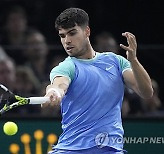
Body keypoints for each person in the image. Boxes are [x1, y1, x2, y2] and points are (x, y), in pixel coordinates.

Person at [43, 8, 153, 154]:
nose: (67, 40)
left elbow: (146, 92)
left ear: (87, 31)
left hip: (110, 149)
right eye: (62, 36)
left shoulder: (116, 62)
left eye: (72, 33)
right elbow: (59, 84)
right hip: (70, 149)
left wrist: (133, 60)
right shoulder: (66, 66)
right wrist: (54, 92)